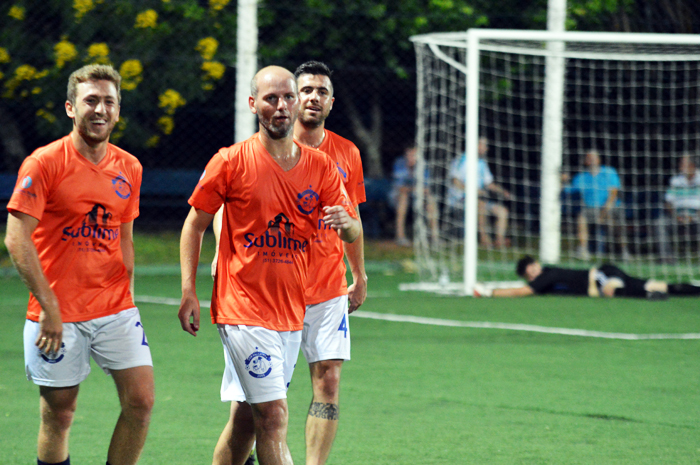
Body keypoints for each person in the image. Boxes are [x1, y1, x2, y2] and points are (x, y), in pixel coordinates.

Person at [178, 65, 361, 465]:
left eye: (287, 98)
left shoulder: (323, 167)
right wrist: (189, 291)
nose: (281, 106)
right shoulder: (230, 161)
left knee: (247, 418)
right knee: (275, 416)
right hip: (242, 309)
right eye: (271, 98)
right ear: (253, 104)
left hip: (291, 311)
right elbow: (195, 223)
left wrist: (348, 226)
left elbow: (351, 228)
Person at [4, 64, 154, 465]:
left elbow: (124, 237)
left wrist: (130, 297)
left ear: (118, 111)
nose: (100, 109)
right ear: (71, 108)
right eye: (91, 101)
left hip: (114, 308)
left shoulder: (130, 167)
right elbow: (16, 238)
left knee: (141, 402)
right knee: (60, 414)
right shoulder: (44, 163)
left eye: (109, 101)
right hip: (57, 312)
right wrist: (49, 307)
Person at [473, 255, 700, 299]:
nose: (532, 274)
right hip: (607, 272)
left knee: (611, 291)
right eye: (528, 274)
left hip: (601, 276)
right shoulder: (549, 275)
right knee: (665, 284)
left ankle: (649, 295)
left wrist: (489, 292)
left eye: (531, 269)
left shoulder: (546, 275)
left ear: (536, 265)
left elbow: (523, 292)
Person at [562, 149, 629, 261]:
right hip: (590, 210)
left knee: (617, 221)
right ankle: (583, 250)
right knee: (581, 217)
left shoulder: (609, 172)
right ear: (585, 161)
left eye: (593, 158)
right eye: (588, 158)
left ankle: (624, 251)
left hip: (610, 207)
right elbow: (569, 190)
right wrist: (562, 180)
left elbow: (613, 193)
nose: (591, 160)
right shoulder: (581, 177)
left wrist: (604, 212)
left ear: (599, 160)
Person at [448, 137, 511, 248]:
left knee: (502, 211)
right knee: (480, 205)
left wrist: (503, 191)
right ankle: (484, 238)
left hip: (478, 199)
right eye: (484, 145)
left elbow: (489, 183)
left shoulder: (482, 163)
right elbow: (455, 182)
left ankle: (499, 241)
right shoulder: (461, 160)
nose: (486, 148)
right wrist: (472, 191)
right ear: (476, 145)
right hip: (459, 199)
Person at [390, 143, 438, 247]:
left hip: (417, 195)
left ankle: (434, 238)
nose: (411, 158)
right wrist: (415, 189)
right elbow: (400, 188)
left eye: (413, 155)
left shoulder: (423, 165)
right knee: (403, 198)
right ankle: (400, 236)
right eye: (408, 155)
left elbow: (426, 189)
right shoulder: (400, 163)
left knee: (430, 199)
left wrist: (413, 189)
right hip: (397, 196)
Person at [657, 154, 700, 261]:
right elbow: (668, 202)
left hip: (697, 216)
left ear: (692, 165)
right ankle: (668, 259)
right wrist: (676, 216)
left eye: (683, 164)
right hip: (677, 217)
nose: (680, 166)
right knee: (660, 223)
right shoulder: (675, 180)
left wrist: (693, 216)